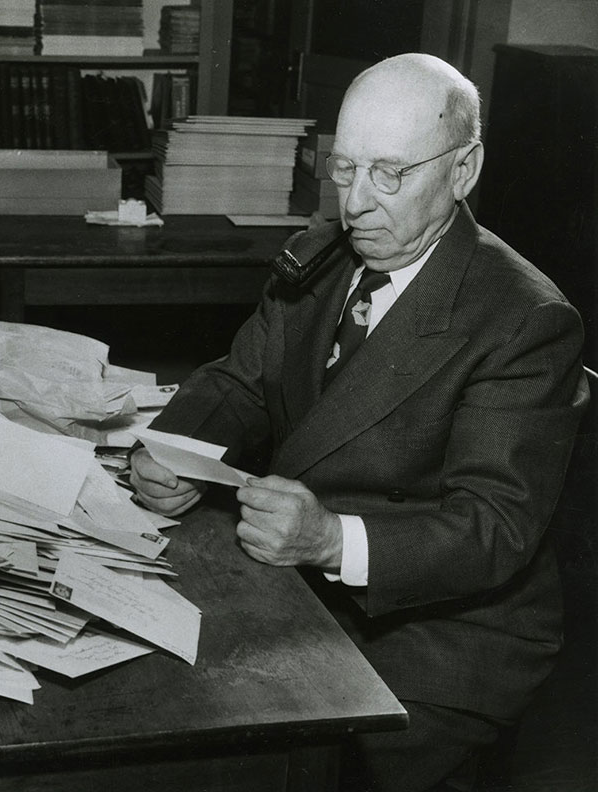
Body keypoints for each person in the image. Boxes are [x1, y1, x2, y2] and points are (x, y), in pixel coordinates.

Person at [130, 53, 590, 792]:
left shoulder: (525, 320)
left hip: (441, 635)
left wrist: (328, 538)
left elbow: (493, 529)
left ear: (463, 169)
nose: (357, 205)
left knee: (229, 755)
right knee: (148, 703)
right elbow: (243, 378)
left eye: (390, 172)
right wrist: (176, 447)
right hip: (308, 589)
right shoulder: (323, 257)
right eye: (343, 171)